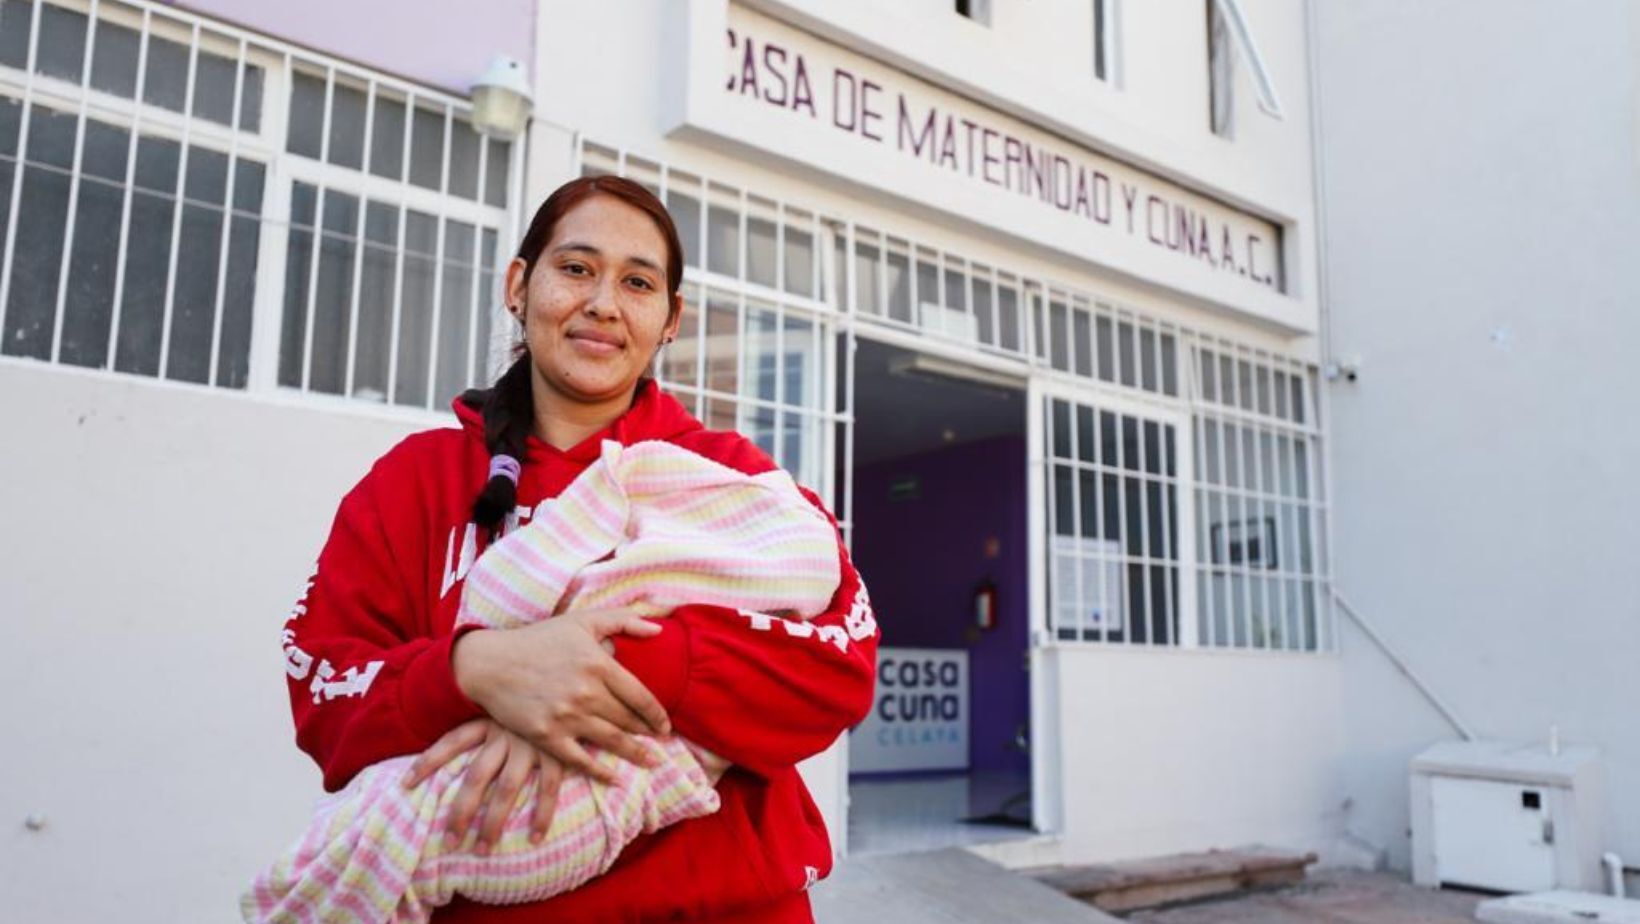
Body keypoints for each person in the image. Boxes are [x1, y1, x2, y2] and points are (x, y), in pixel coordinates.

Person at [275, 174, 879, 923]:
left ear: (669, 319)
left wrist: (608, 667)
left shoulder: (733, 477)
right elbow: (322, 688)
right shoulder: (412, 483)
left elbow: (838, 667)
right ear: (519, 286)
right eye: (576, 269)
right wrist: (473, 670)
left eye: (637, 282)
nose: (603, 303)